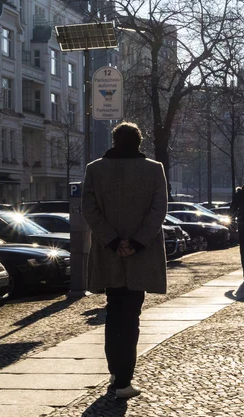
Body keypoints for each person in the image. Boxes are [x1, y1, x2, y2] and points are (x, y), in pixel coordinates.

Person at [82, 122, 168, 400]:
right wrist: (138, 242)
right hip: (141, 256)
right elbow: (158, 211)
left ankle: (116, 372)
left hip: (109, 254)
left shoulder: (95, 169)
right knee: (131, 315)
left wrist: (113, 241)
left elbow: (89, 210)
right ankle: (124, 379)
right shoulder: (154, 170)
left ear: (115, 141)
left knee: (113, 312)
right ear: (139, 142)